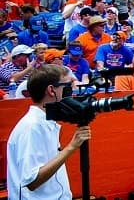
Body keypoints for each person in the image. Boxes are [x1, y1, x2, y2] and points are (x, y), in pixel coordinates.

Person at [6, 64, 91, 200]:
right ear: (51, 90)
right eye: (67, 86)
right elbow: (32, 181)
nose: (71, 91)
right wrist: (71, 147)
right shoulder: (32, 127)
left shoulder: (46, 122)